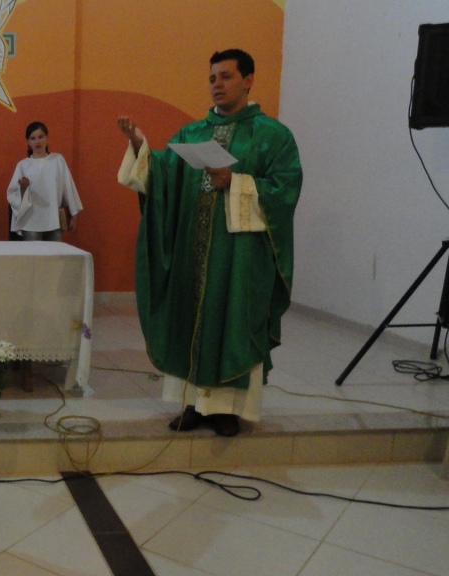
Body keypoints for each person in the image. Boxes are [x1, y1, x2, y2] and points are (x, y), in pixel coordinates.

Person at [115, 49, 303, 437]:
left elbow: (284, 190)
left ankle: (227, 410)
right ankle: (192, 403)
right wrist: (138, 145)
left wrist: (236, 182)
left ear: (248, 80)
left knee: (234, 324)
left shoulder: (273, 136)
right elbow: (162, 179)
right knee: (190, 319)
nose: (217, 84)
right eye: (212, 78)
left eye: (226, 76)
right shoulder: (191, 134)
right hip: (193, 254)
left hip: (240, 259)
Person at [7, 121, 83, 240]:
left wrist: (74, 214)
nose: (37, 141)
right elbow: (13, 195)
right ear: (28, 142)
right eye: (33, 138)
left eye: (40, 137)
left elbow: (68, 187)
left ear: (47, 138)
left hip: (54, 218)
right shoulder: (23, 165)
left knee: (54, 252)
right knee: (34, 252)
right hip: (30, 221)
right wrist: (23, 188)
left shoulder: (58, 160)